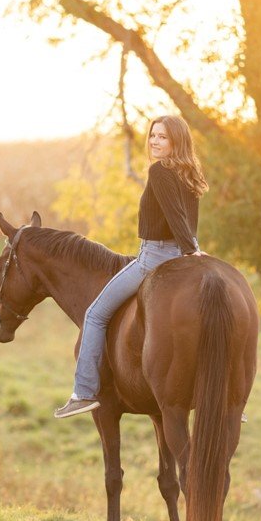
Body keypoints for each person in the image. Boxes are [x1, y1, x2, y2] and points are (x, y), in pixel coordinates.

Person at [54, 115, 208, 419]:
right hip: (184, 254)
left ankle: (84, 392)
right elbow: (187, 221)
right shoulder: (190, 173)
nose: (155, 141)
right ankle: (224, 391)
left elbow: (175, 215)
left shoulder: (160, 171)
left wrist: (190, 250)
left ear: (176, 140)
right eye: (153, 135)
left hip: (154, 258)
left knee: (95, 314)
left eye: (163, 137)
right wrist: (193, 251)